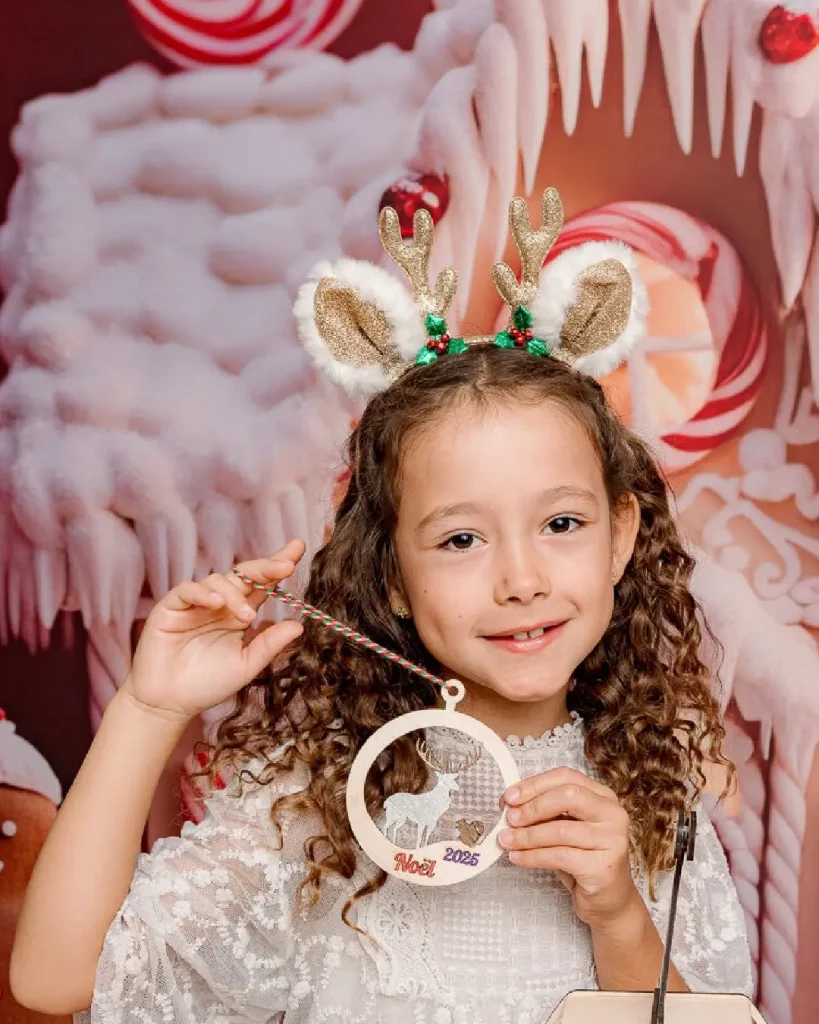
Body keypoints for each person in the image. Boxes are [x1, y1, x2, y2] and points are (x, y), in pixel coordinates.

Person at [10, 190, 753, 1023]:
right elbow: (52, 980)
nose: (520, 579)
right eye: (460, 540)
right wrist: (149, 708)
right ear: (391, 574)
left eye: (560, 523)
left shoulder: (652, 790)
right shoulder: (318, 799)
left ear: (620, 536)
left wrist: (617, 913)